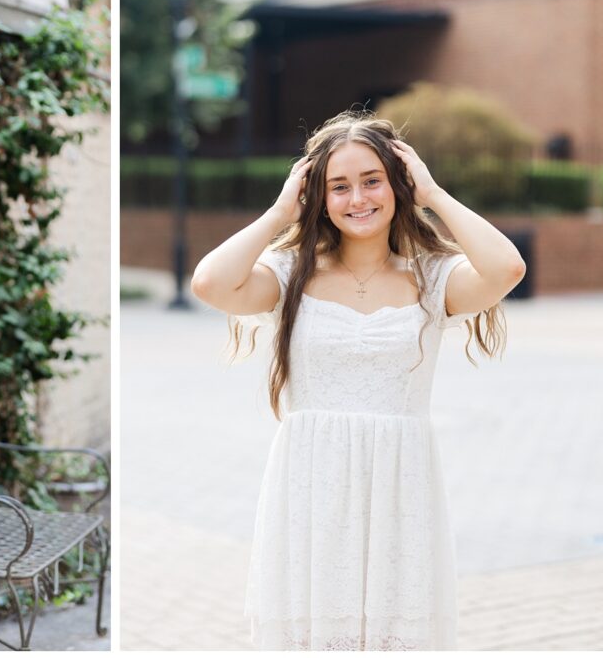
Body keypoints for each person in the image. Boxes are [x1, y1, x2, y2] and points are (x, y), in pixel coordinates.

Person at [191, 111, 525, 650]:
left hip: (400, 487)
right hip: (310, 486)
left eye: (372, 180)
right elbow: (209, 281)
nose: (357, 198)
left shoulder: (432, 277)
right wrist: (279, 213)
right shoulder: (289, 275)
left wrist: (434, 194)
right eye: (338, 186)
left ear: (397, 184)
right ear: (318, 197)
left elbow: (507, 269)